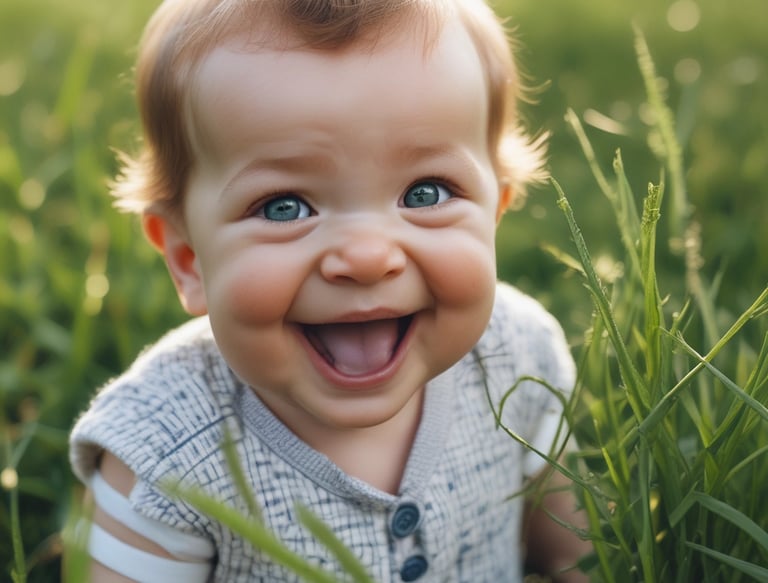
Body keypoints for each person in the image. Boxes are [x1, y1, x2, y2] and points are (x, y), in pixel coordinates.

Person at [69, 0, 592, 581]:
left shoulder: (518, 359)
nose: (367, 257)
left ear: (494, 212)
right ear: (188, 260)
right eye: (284, 206)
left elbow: (578, 556)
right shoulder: (163, 456)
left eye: (425, 194)